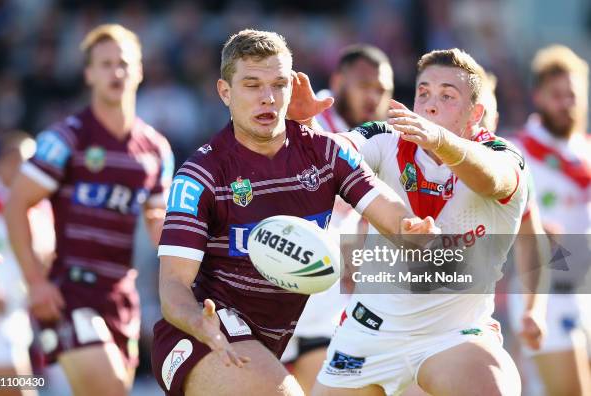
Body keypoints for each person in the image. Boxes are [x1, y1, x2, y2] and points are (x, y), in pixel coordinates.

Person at [150, 29, 438, 396]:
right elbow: (172, 285)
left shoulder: (326, 153)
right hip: (204, 334)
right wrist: (197, 321)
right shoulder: (200, 175)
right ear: (225, 92)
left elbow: (386, 207)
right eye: (252, 85)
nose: (267, 98)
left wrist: (409, 228)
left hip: (280, 337)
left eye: (278, 84)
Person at [311, 48, 528, 396]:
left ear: (475, 115)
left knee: (495, 385)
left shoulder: (504, 155)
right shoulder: (385, 138)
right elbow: (335, 152)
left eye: (447, 96)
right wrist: (300, 129)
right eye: (423, 93)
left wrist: (441, 140)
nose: (429, 105)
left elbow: (495, 179)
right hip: (369, 333)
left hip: (453, 337)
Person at [4, 24, 173, 395]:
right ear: (89, 74)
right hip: (71, 291)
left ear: (140, 70)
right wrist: (35, 281)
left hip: (121, 294)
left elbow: (157, 222)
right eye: (105, 64)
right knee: (109, 390)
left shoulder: (156, 149)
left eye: (124, 63)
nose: (116, 72)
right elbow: (17, 203)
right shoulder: (66, 138)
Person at [282, 44, 394, 394]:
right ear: (337, 81)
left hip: (323, 308)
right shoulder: (303, 117)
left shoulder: (380, 138)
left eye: (382, 89)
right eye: (364, 85)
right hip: (273, 296)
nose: (373, 96)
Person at [510, 44, 591, 396]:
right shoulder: (519, 152)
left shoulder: (586, 151)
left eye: (572, 94)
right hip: (545, 292)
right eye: (556, 95)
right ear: (538, 97)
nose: (566, 103)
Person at [0, 132, 53, 396]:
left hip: (17, 313)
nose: (23, 169)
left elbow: (46, 260)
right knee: (17, 386)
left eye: (30, 162)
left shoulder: (41, 211)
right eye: (17, 160)